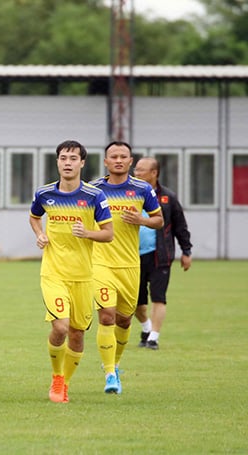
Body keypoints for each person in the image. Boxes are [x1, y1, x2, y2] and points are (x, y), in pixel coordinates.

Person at [29, 140, 113, 403]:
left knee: (77, 333)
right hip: (53, 271)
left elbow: (108, 234)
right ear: (57, 162)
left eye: (73, 158)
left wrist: (87, 233)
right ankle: (56, 377)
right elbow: (34, 216)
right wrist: (40, 234)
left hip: (83, 275)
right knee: (61, 327)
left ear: (82, 163)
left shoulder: (94, 196)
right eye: (63, 158)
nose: (68, 162)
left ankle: (65, 382)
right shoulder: (44, 194)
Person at [91, 141, 163, 394]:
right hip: (100, 263)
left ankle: (116, 363)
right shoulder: (93, 189)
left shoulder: (142, 189)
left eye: (123, 156)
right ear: (106, 161)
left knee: (123, 320)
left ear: (131, 161)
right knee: (107, 316)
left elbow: (158, 219)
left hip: (130, 265)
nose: (118, 160)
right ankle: (110, 373)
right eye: (114, 156)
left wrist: (141, 219)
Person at [133, 156, 192, 349]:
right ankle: (146, 327)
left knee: (159, 297)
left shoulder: (168, 197)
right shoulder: (129, 194)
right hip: (132, 257)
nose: (137, 173)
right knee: (136, 302)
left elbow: (180, 226)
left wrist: (186, 251)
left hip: (160, 256)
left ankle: (153, 338)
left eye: (141, 170)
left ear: (154, 173)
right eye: (136, 169)